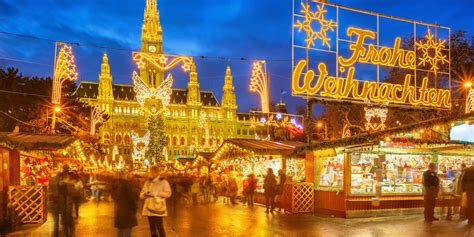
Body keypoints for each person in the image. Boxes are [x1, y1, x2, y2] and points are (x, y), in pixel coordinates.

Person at [140, 166, 172, 237]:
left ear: (157, 173)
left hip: (158, 207)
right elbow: (141, 194)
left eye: (152, 172)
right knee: (152, 227)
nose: (151, 173)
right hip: (149, 208)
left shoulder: (163, 182)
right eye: (150, 172)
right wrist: (145, 194)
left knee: (159, 226)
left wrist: (156, 193)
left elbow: (168, 193)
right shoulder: (148, 182)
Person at [112, 172, 138, 237]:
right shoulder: (126, 185)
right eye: (127, 174)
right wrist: (135, 208)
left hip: (119, 210)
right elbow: (131, 199)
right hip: (127, 211)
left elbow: (114, 196)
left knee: (120, 229)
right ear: (124, 176)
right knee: (127, 229)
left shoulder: (117, 185)